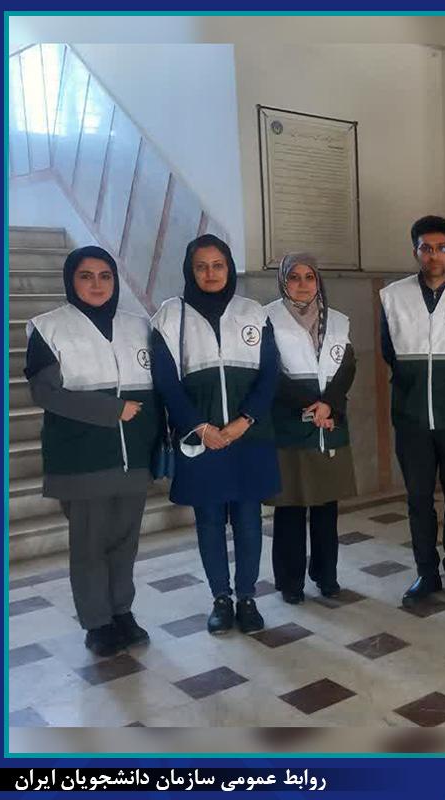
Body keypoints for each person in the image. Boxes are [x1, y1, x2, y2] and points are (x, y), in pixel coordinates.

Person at [24, 246, 160, 657]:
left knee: (125, 542)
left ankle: (122, 611)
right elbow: (45, 393)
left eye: (105, 276)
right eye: (86, 276)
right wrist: (110, 410)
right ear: (71, 281)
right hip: (82, 458)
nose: (97, 284)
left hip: (134, 456)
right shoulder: (49, 328)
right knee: (89, 545)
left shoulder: (138, 326)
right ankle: (97, 622)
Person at [150, 234, 280, 635]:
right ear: (190, 270)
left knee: (248, 520)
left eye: (218, 265)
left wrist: (245, 421)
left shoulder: (253, 312)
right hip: (200, 440)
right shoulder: (169, 316)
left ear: (229, 268)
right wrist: (201, 427)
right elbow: (166, 382)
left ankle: (247, 598)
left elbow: (270, 374)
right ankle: (221, 599)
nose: (210, 273)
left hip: (249, 437)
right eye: (201, 266)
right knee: (208, 521)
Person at [380, 215, 445, 607]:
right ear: (415, 251)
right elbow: (389, 352)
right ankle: (426, 572)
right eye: (426, 248)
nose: (434, 255)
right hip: (411, 419)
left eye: (441, 248)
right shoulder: (392, 296)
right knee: (418, 500)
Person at [264, 253, 357, 604]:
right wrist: (311, 404)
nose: (302, 284)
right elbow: (269, 373)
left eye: (309, 277)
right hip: (289, 425)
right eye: (294, 277)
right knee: (290, 507)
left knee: (326, 508)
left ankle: (326, 575)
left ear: (318, 281)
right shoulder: (267, 319)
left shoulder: (338, 320)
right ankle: (290, 582)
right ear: (283, 281)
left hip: (328, 424)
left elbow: (347, 367)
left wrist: (329, 404)